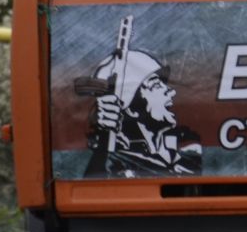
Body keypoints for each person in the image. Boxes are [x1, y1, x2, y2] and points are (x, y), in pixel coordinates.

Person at [85, 49, 202, 178]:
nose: (171, 92)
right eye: (156, 85)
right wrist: (104, 142)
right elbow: (94, 186)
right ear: (131, 109)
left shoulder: (188, 149)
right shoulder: (115, 164)